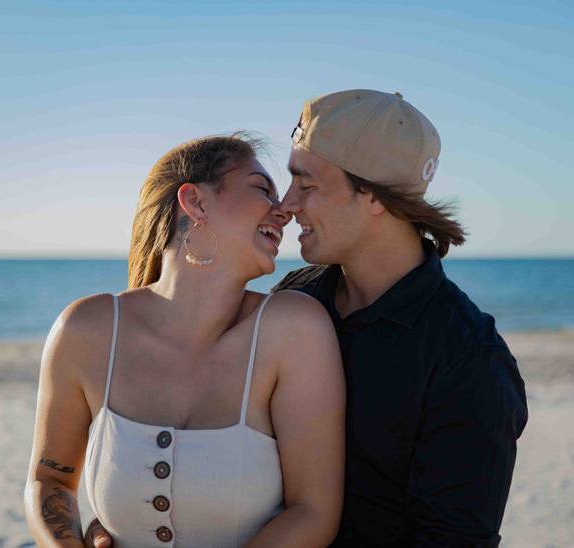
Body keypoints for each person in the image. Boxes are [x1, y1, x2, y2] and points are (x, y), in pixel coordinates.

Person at [85, 90, 528, 547]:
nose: (287, 205)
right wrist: (125, 519)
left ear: (374, 195)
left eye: (306, 185)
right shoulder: (294, 298)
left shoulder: (469, 360)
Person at [25, 135, 345, 547]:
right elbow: (49, 480)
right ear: (195, 202)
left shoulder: (294, 329)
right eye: (261, 188)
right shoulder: (86, 330)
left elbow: (313, 512)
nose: (283, 209)